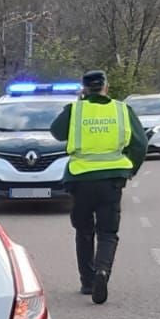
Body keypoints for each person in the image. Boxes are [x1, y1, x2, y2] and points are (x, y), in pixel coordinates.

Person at [49, 69, 147, 305]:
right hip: (111, 181)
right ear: (106, 86)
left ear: (84, 88)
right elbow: (140, 143)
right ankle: (103, 271)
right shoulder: (122, 110)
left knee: (84, 231)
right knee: (107, 232)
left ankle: (87, 281)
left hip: (80, 180)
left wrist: (76, 104)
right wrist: (130, 168)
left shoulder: (76, 110)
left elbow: (56, 132)